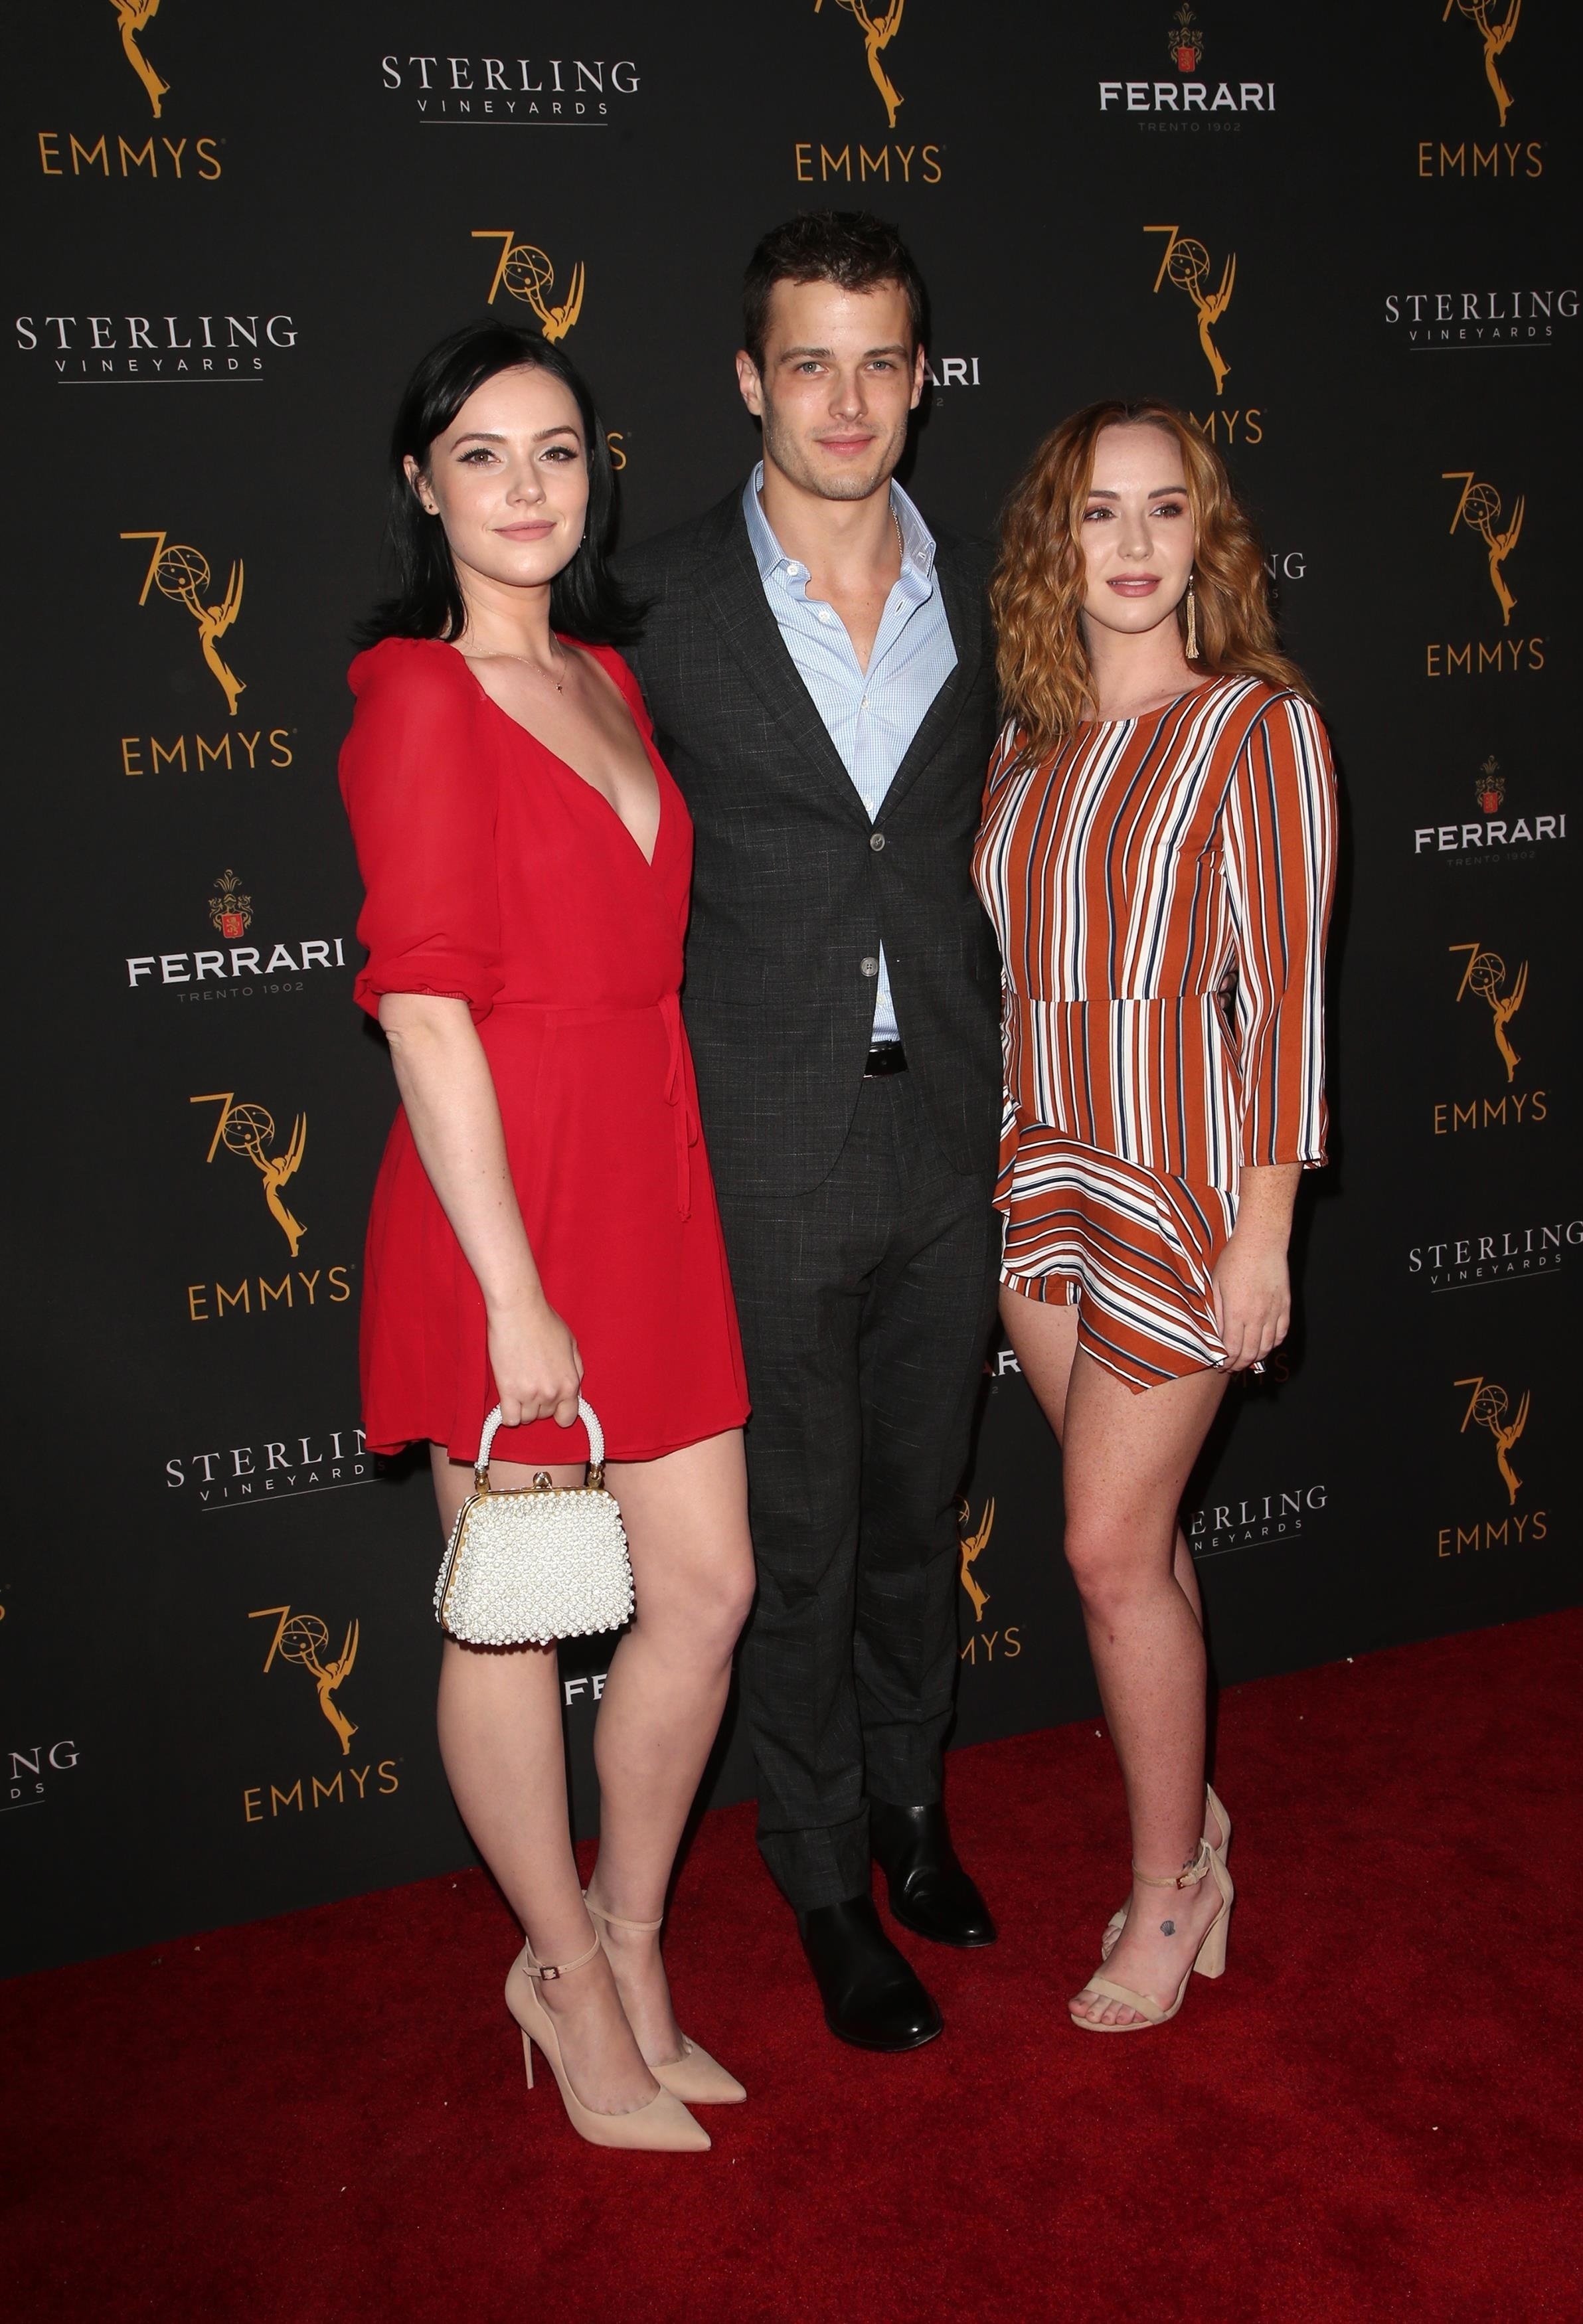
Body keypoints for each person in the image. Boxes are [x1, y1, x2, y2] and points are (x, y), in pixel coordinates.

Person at [338, 323, 756, 2147]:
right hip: (498, 1198)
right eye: (483, 455)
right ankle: (567, 1981)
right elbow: (428, 1012)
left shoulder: (606, 673)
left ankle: (631, 1935)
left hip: (645, 1179)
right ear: (423, 486)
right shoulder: (417, 695)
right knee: (508, 1620)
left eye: (559, 452)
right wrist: (514, 1293)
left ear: (599, 475)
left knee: (709, 1590)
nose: (527, 488)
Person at [622, 212, 1004, 2052]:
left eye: (878, 362)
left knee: (921, 1511)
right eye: (807, 362)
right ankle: (823, 1875)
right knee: (796, 1537)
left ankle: (914, 1805)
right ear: (749, 380)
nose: (844, 401)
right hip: (757, 1142)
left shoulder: (995, 594)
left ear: (920, 379)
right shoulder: (654, 600)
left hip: (951, 1129)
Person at [974, 400, 1337, 2030]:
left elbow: (1287, 1000)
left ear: (1207, 538)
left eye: (1164, 509)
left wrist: (1265, 1233)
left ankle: (1170, 1882)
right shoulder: (1023, 740)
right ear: (1054, 545)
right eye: (1097, 512)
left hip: (1182, 1186)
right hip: (1042, 1174)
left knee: (1105, 1550)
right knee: (1144, 1540)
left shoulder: (1257, 728)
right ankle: (1194, 1821)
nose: (1131, 544)